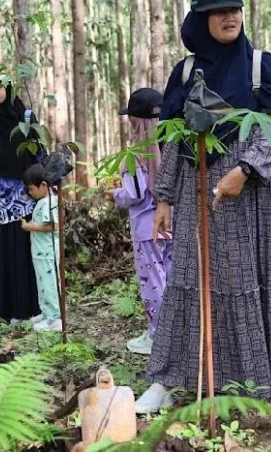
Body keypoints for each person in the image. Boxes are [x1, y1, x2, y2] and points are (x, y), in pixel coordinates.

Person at [135, 0, 271, 414]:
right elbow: (171, 138)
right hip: (196, 190)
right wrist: (165, 198)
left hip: (251, 196)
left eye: (234, 10)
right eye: (216, 13)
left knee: (249, 282)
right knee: (189, 280)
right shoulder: (186, 72)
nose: (228, 18)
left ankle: (253, 386)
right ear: (200, 20)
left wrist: (245, 170)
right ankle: (171, 378)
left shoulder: (262, 66)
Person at [0, 76, 42, 323]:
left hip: (26, 191)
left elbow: (38, 154)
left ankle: (30, 309)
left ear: (8, 87)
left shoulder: (25, 116)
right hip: (0, 193)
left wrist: (44, 188)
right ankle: (6, 311)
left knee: (24, 247)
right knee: (3, 249)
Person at [114, 87, 172, 355]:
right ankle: (176, 332)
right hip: (170, 224)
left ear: (135, 120)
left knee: (153, 283)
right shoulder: (173, 146)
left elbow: (133, 193)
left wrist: (114, 193)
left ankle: (157, 336)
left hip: (146, 227)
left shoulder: (137, 154)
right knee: (170, 278)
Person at [22, 164, 62, 332]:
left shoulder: (49, 202)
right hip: (40, 252)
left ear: (44, 185)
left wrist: (29, 226)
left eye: (31, 188)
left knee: (50, 284)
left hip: (47, 252)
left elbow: (53, 226)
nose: (30, 192)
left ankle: (55, 318)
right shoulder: (43, 202)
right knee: (43, 284)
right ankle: (46, 313)